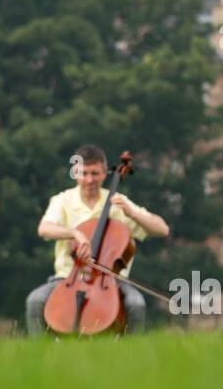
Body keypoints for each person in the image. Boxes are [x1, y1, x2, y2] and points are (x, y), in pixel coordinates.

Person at [27, 144, 169, 335]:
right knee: (35, 300)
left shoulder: (117, 202)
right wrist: (76, 234)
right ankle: (39, 357)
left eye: (95, 173)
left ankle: (133, 357)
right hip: (67, 278)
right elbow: (44, 229)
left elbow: (162, 229)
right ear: (75, 173)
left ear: (104, 173)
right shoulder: (63, 200)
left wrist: (133, 213)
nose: (89, 180)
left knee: (136, 304)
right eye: (83, 173)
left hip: (111, 281)